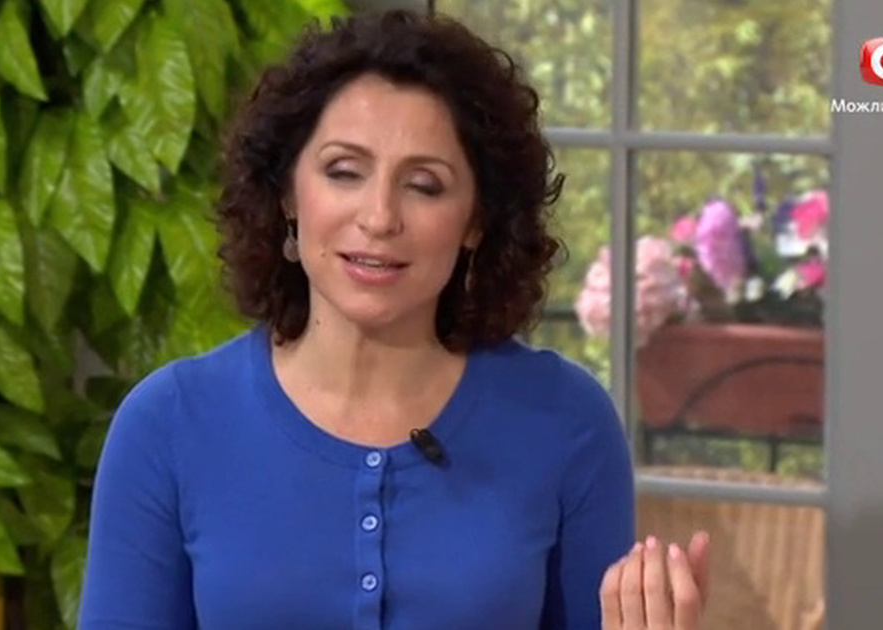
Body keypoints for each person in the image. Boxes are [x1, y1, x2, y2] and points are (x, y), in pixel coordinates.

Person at [78, 8, 710, 630]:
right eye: (344, 172)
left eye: (425, 185)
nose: (380, 217)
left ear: (476, 221)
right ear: (288, 194)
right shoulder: (168, 424)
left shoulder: (566, 422)